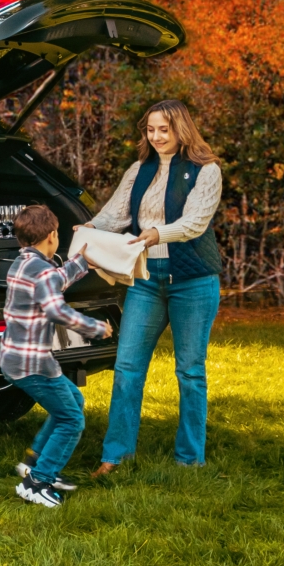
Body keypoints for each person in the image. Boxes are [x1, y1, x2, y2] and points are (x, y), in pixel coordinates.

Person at [79, 100, 224, 475]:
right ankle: (114, 456)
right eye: (151, 130)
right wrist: (90, 230)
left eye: (165, 129)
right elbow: (116, 214)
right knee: (127, 367)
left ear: (182, 129)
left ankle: (190, 459)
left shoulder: (205, 171)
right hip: (146, 279)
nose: (157, 137)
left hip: (193, 282)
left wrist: (158, 233)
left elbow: (194, 224)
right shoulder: (139, 170)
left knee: (190, 371)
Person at [3, 205, 113, 508]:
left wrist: (80, 262)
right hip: (33, 364)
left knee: (73, 402)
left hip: (16, 358)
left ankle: (35, 461)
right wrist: (94, 327)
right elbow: (56, 308)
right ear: (52, 236)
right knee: (72, 419)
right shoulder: (43, 271)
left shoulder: (23, 264)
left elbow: (54, 281)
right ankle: (38, 482)